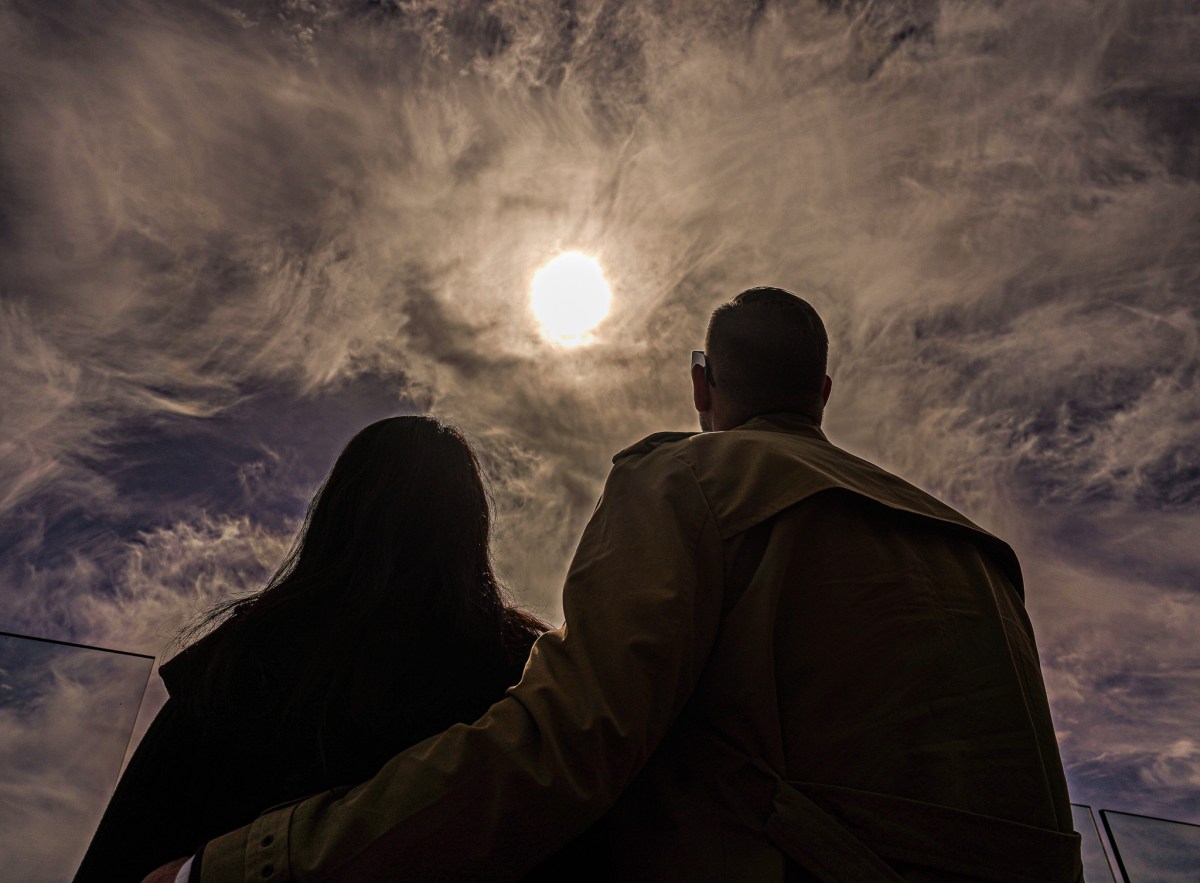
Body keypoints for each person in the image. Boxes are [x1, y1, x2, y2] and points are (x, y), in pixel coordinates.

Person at [153, 288, 1082, 882]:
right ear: (825, 393)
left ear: (700, 382)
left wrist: (257, 863)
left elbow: (565, 746)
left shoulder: (688, 483)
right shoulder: (978, 553)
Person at [74, 416, 560, 883]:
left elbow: (129, 846)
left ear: (338, 511)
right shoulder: (523, 666)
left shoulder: (249, 655)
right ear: (470, 522)